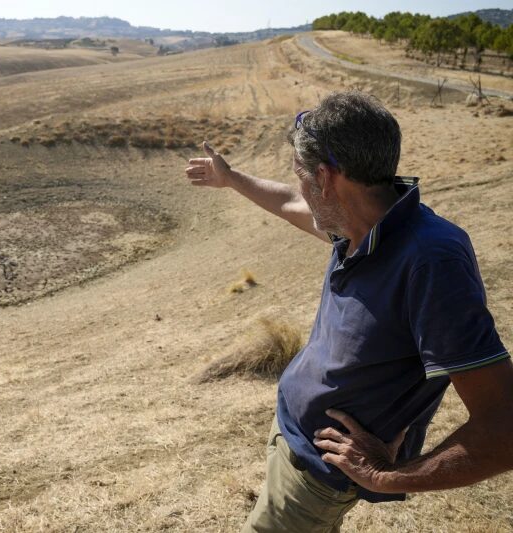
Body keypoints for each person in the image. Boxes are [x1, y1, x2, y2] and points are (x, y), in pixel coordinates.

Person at [184, 91, 513, 532]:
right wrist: (232, 178)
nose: (299, 187)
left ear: (325, 179)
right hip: (294, 440)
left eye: (301, 175)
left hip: (316, 482)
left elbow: (504, 427)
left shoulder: (430, 262)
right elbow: (290, 204)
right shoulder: (361, 224)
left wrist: (387, 477)